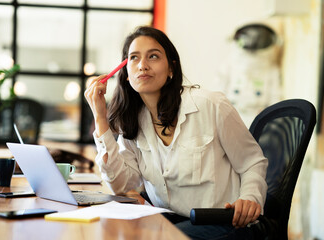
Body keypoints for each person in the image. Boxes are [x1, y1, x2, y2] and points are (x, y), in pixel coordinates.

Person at [84, 26, 268, 240]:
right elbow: (121, 185)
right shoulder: (133, 121)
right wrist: (100, 117)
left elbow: (253, 162)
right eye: (134, 58)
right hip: (170, 219)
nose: (143, 65)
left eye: (153, 56)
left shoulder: (211, 105)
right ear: (125, 75)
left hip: (226, 223)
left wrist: (250, 197)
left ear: (171, 68)